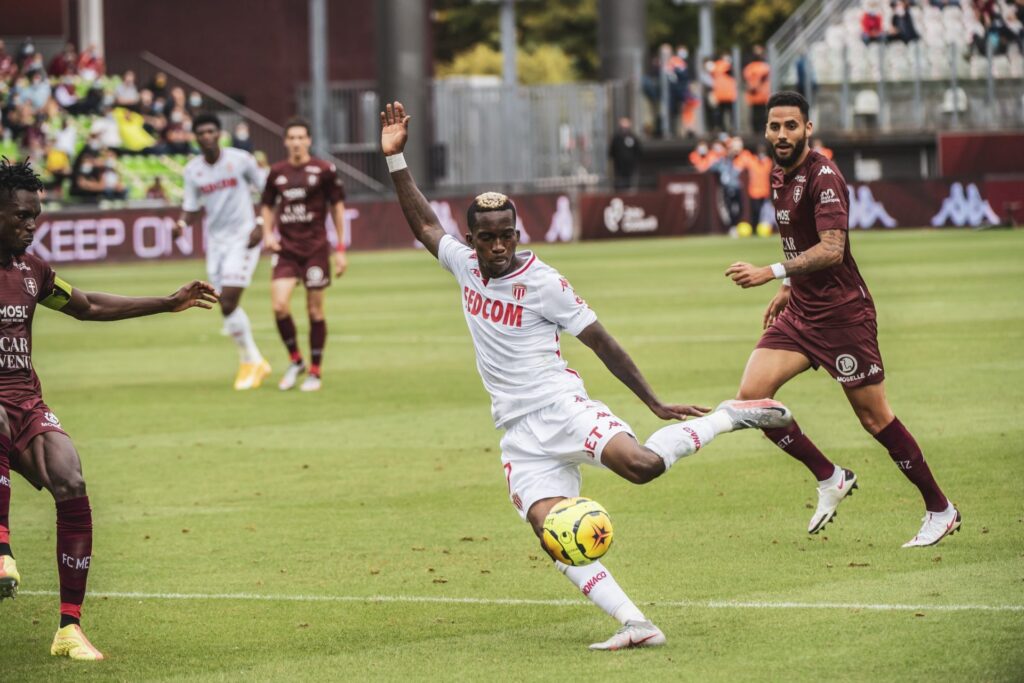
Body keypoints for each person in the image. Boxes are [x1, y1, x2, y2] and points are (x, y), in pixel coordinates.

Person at [380, 100, 794, 650]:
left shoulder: (544, 281)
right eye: (487, 238)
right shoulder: (462, 265)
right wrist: (396, 161)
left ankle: (727, 417)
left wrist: (654, 402)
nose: (498, 246)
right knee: (554, 535)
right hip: (518, 434)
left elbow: (603, 343)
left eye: (507, 235)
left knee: (643, 466)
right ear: (472, 239)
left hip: (561, 406)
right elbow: (426, 223)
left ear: (517, 231)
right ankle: (636, 624)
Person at [0, 158, 218, 660]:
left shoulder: (33, 273)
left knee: (71, 479)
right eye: (20, 216)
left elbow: (88, 305)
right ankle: (2, 549)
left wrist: (166, 302)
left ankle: (68, 628)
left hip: (25, 403)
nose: (31, 225)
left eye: (36, 216)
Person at [724, 92, 960, 548]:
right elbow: (800, 240)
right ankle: (830, 476)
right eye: (774, 127)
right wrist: (789, 288)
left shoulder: (824, 176)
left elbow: (832, 248)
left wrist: (770, 272)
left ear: (808, 128)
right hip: (801, 311)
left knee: (875, 420)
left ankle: (940, 509)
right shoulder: (777, 174)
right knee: (751, 400)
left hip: (842, 316)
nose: (781, 135)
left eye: (791, 126)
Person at [176, 112, 270, 390]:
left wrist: (262, 223)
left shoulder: (240, 160)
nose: (206, 136)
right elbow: (192, 207)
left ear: (219, 134)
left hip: (244, 237)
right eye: (201, 133)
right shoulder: (193, 170)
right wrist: (181, 223)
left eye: (210, 131)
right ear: (196, 138)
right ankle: (253, 362)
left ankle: (252, 361)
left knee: (228, 301)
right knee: (222, 302)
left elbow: (269, 190)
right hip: (215, 243)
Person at [259, 117, 347, 392]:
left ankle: (315, 371)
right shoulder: (276, 172)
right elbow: (266, 205)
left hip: (315, 250)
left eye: (301, 137)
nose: (296, 142)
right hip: (286, 250)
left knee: (314, 309)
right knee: (279, 306)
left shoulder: (324, 170)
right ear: (285, 141)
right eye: (292, 138)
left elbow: (338, 208)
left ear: (308, 140)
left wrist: (341, 249)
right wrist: (268, 234)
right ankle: (296, 360)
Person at [743, 45, 771, 134]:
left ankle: (755, 131)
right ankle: (762, 131)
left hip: (753, 95)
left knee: (754, 114)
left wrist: (753, 87)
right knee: (762, 114)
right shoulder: (765, 66)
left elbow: (746, 80)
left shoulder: (748, 68)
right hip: (762, 95)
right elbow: (764, 78)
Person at [608, 117, 642, 191]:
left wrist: (634, 161)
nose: (624, 129)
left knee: (630, 181)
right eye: (623, 127)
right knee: (620, 181)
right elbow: (612, 151)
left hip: (630, 165)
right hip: (619, 165)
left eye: (626, 127)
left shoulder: (633, 137)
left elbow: (638, 150)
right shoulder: (616, 138)